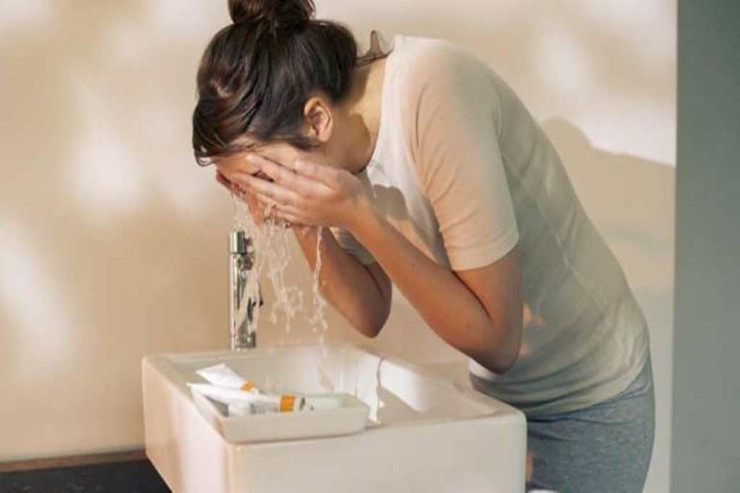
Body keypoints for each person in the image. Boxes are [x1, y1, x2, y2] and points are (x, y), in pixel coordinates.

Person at [191, 0, 655, 491]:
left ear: (316, 120)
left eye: (266, 176)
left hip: (589, 398)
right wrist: (303, 220)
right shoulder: (341, 145)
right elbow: (369, 310)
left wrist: (358, 215)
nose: (264, 194)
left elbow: (497, 341)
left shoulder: (434, 90)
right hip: (500, 405)